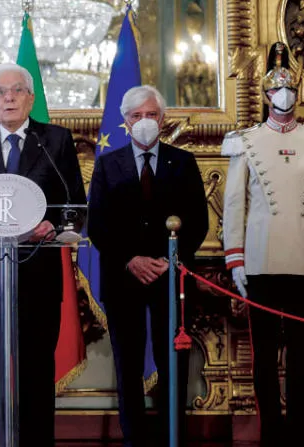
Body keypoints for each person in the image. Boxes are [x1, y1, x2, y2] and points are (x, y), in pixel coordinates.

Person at [0, 63, 86, 447]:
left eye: (17, 90)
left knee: (37, 377)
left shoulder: (56, 141)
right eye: (0, 92)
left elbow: (76, 206)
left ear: (31, 98)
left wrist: (53, 227)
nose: (8, 98)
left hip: (38, 277)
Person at [221, 42, 304, 447]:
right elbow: (234, 205)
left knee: (299, 358)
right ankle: (271, 435)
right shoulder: (246, 141)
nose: (284, 94)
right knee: (263, 358)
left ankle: (298, 435)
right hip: (260, 262)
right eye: (277, 88)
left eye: (289, 87)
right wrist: (236, 260)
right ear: (265, 94)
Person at [87, 85, 209, 447]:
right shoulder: (108, 164)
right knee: (128, 366)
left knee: (174, 364)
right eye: (136, 115)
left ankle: (173, 437)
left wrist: (167, 261)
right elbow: (98, 225)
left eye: (151, 114)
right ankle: (134, 440)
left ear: (163, 118)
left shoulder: (183, 162)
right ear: (125, 121)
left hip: (170, 279)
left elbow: (198, 223)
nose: (144, 121)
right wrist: (131, 259)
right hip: (123, 278)